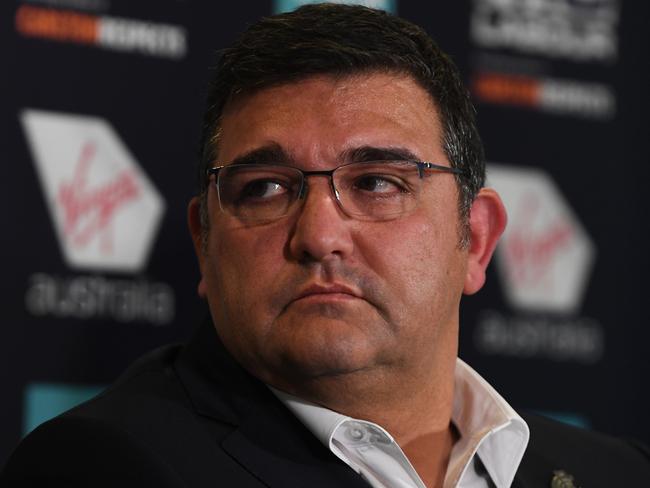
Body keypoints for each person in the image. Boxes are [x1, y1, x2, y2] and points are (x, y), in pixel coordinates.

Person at [2, 4, 649, 488]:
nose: (317, 235)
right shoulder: (103, 467)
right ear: (204, 243)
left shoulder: (613, 473)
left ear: (475, 239)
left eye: (375, 182)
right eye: (263, 189)